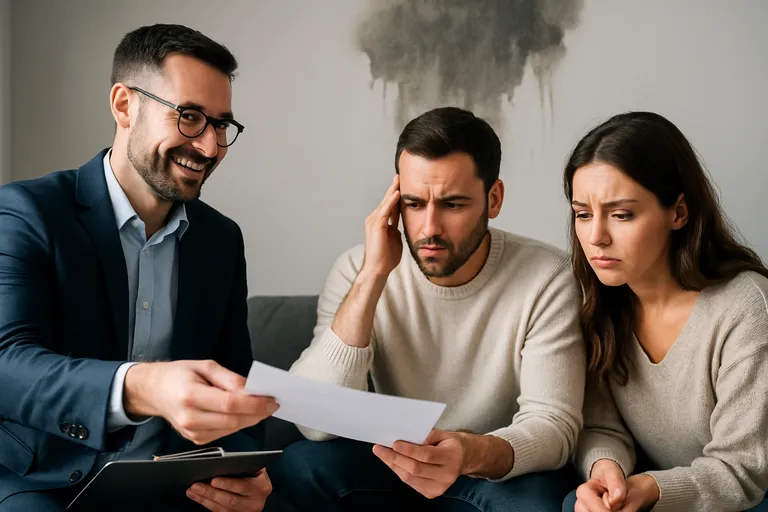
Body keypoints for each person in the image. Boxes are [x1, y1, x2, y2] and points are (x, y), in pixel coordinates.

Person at [0, 24, 278, 511]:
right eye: (189, 117)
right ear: (124, 105)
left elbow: (234, 378)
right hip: (42, 483)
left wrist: (244, 472)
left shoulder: (221, 240)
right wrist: (140, 386)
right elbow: (7, 364)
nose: (210, 147)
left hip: (170, 486)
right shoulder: (25, 212)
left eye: (220, 125)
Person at [269, 107, 586, 511]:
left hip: (490, 467)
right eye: (414, 204)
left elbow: (554, 426)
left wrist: (468, 451)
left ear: (493, 199)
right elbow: (313, 424)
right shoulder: (358, 268)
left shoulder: (548, 276)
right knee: (298, 467)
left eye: (452, 205)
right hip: (391, 462)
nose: (429, 228)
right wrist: (373, 276)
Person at [560, 111, 768, 512]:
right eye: (583, 214)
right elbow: (602, 425)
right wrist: (606, 472)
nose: (596, 237)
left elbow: (744, 471)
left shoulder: (746, 307)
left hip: (751, 498)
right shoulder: (602, 301)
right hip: (667, 489)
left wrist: (651, 489)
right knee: (578, 503)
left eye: (621, 214)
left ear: (679, 212)